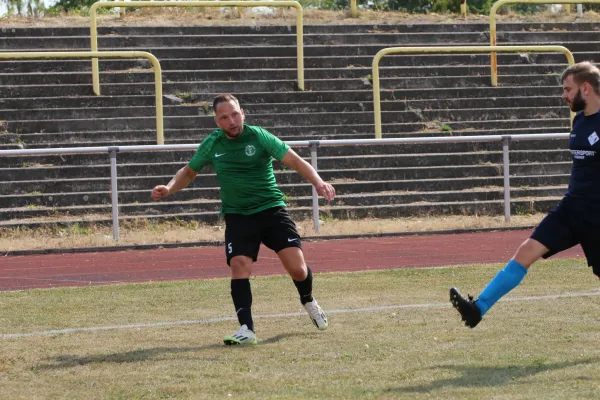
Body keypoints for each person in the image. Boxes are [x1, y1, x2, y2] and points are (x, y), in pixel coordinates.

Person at [151, 93, 336, 345]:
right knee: (239, 265)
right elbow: (189, 171)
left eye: (235, 114)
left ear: (243, 113)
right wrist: (169, 188)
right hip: (238, 216)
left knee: (298, 269)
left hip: (272, 210)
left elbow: (293, 159)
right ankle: (246, 328)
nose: (231, 120)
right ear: (217, 121)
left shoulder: (259, 136)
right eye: (224, 117)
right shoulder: (213, 143)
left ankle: (308, 300)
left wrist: (318, 182)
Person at [450, 61, 600, 328]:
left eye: (568, 89)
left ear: (586, 88)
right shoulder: (579, 120)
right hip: (571, 209)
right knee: (526, 250)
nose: (563, 95)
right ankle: (478, 308)